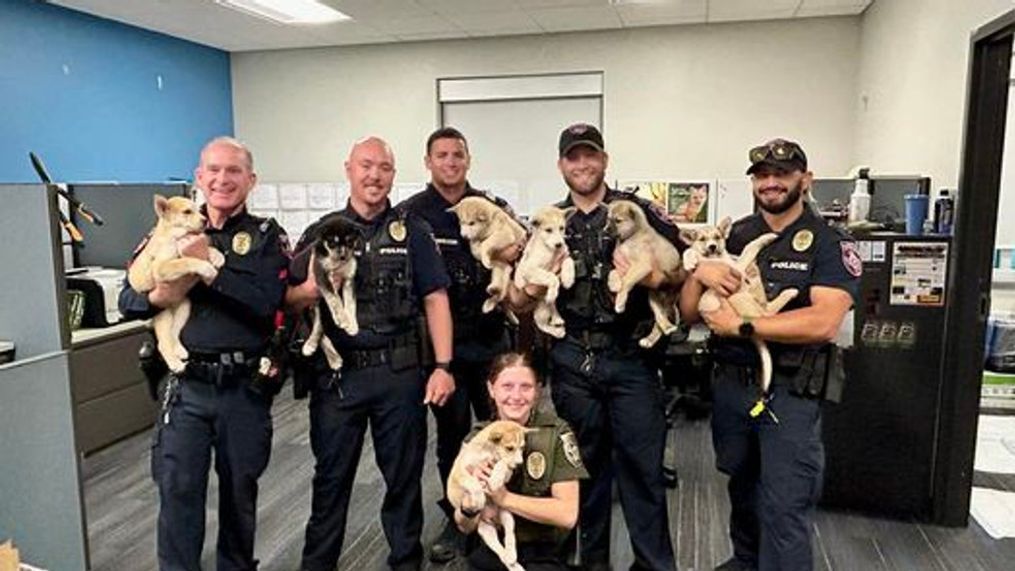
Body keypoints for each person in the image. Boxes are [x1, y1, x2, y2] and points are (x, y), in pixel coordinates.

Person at [679, 138, 860, 571]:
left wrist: (742, 326)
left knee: (784, 504)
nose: (771, 183)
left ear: (805, 179)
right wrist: (698, 271)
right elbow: (688, 312)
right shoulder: (734, 234)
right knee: (742, 490)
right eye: (762, 176)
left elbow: (824, 322)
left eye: (782, 174)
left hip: (790, 390)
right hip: (732, 385)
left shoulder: (827, 241)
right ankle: (747, 561)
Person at [510, 123, 681, 571]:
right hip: (572, 360)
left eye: (590, 155)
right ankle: (592, 564)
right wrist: (530, 285)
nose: (582, 164)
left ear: (604, 160)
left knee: (643, 471)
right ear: (561, 165)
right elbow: (518, 298)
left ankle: (654, 565)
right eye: (573, 157)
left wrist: (651, 275)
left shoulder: (637, 212)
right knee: (580, 473)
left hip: (631, 358)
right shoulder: (549, 219)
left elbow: (679, 272)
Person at [118, 136, 290, 570]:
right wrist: (163, 290)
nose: (222, 179)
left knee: (239, 498)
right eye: (213, 170)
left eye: (234, 171)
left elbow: (267, 302)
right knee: (177, 495)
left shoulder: (266, 235)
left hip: (243, 389)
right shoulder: (168, 227)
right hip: (187, 388)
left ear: (251, 180)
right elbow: (128, 300)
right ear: (199, 177)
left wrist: (212, 273)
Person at [286, 136, 455, 571]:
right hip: (338, 377)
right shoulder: (320, 232)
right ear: (348, 169)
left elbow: (436, 298)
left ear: (393, 175)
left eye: (383, 167)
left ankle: (405, 561)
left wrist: (443, 366)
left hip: (399, 371)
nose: (374, 175)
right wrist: (308, 291)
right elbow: (290, 299)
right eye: (366, 165)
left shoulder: (412, 230)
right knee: (331, 481)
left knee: (403, 479)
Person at [399, 126, 520, 563]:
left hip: (491, 339)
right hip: (441, 348)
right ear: (428, 161)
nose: (450, 162)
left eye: (458, 155)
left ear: (468, 160)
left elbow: (523, 244)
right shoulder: (410, 216)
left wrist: (512, 251)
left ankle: (503, 509)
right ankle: (459, 518)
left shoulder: (492, 206)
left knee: (501, 434)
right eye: (442, 155)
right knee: (452, 439)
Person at [454, 352, 587, 571]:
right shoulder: (477, 439)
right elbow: (465, 526)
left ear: (537, 391)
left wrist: (504, 498)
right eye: (507, 386)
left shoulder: (555, 434)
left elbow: (567, 515)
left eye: (526, 387)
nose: (516, 396)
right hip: (493, 547)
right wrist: (470, 503)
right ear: (491, 389)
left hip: (543, 550)